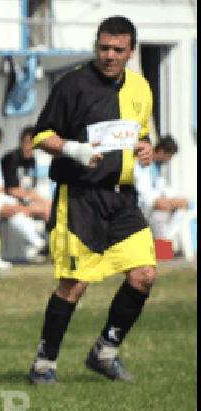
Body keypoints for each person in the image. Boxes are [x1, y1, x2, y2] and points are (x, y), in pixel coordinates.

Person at [27, 16, 157, 384]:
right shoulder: (73, 85)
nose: (109, 55)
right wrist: (74, 149)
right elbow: (41, 136)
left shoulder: (141, 88)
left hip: (122, 200)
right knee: (74, 284)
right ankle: (44, 363)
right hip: (80, 198)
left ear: (131, 51)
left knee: (144, 275)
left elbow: (140, 136)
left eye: (118, 49)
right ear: (95, 46)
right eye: (104, 48)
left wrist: (145, 149)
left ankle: (105, 351)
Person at [0, 126, 47, 265]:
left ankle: (37, 244)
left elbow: (0, 188)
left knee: (15, 208)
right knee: (13, 208)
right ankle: (37, 243)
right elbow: (8, 189)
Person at [134, 135, 196, 261]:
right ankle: (163, 250)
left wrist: (174, 201)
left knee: (184, 207)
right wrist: (168, 202)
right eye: (169, 156)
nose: (169, 160)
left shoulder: (156, 167)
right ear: (161, 151)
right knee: (162, 211)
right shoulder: (139, 166)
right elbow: (145, 194)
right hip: (141, 206)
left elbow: (162, 190)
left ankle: (164, 246)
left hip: (154, 202)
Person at [1, 126, 52, 221]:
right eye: (27, 143)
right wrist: (38, 198)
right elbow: (12, 190)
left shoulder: (32, 160)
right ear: (21, 142)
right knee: (46, 210)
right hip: (10, 201)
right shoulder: (11, 159)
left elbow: (31, 187)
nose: (30, 148)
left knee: (51, 206)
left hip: (25, 199)